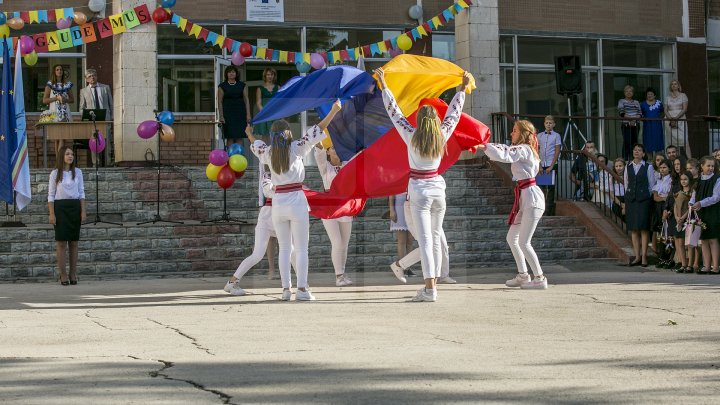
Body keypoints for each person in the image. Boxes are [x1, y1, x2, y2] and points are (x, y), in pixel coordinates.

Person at [376, 67, 471, 302]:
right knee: (436, 237)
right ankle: (432, 287)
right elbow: (454, 115)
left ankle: (430, 290)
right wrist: (462, 89)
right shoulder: (442, 134)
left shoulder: (411, 134)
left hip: (419, 190)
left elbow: (395, 113)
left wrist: (384, 86)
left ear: (419, 119)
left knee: (427, 241)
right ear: (435, 120)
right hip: (438, 188)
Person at [245, 100, 343, 301]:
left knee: (284, 248)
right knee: (301, 248)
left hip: (278, 203)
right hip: (296, 201)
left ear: (272, 135)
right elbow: (319, 128)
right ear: (288, 133)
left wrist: (248, 133)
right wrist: (334, 110)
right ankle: (302, 290)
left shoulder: (268, 152)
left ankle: (285, 290)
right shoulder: (296, 148)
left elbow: (256, 144)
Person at [478, 120, 548, 289]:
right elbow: (506, 150)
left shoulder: (524, 148)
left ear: (523, 133)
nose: (512, 133)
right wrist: (485, 146)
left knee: (524, 241)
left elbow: (506, 153)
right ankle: (524, 275)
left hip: (531, 198)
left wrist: (483, 146)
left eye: (515, 130)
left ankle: (539, 278)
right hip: (526, 197)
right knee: (512, 238)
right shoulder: (525, 149)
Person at [223, 166, 291, 295]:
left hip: (282, 216)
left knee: (292, 250)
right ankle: (231, 283)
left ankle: (302, 286)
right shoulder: (267, 174)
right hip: (267, 218)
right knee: (257, 255)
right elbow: (268, 191)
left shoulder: (290, 173)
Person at [313, 142, 354, 287]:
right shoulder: (325, 167)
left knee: (344, 244)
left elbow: (360, 158)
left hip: (345, 205)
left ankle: (342, 273)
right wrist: (319, 141)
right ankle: (339, 276)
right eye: (333, 148)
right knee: (336, 242)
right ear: (328, 152)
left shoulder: (347, 164)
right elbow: (319, 153)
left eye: (337, 147)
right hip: (329, 207)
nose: (336, 151)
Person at [389, 198, 455, 284]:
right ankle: (399, 265)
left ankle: (443, 275)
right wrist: (392, 209)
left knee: (442, 244)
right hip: (415, 206)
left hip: (431, 206)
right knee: (428, 246)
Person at [48, 146, 86, 285]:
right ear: (61, 156)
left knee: (74, 242)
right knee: (61, 242)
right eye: (67, 154)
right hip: (60, 208)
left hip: (74, 207)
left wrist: (83, 211)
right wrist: (52, 213)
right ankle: (63, 274)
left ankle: (73, 273)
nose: (70, 156)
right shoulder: (55, 174)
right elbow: (51, 195)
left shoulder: (78, 172)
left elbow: (81, 193)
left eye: (72, 154)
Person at [625, 143, 656, 267]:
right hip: (631, 200)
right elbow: (626, 183)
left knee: (643, 228)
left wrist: (645, 196)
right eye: (635, 150)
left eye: (639, 150)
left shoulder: (648, 167)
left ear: (643, 153)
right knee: (634, 229)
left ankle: (644, 256)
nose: (636, 152)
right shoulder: (628, 166)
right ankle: (637, 256)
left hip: (643, 200)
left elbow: (651, 185)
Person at [690, 156, 720, 274]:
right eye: (708, 165)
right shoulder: (697, 181)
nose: (711, 168)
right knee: (704, 240)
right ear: (701, 166)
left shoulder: (717, 179)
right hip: (700, 212)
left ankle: (716, 267)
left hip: (713, 212)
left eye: (712, 166)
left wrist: (701, 203)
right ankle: (707, 266)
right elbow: (693, 195)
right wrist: (691, 204)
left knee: (713, 239)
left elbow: (716, 197)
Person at [218, 66, 251, 152]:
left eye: (233, 72)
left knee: (239, 136)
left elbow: (246, 100)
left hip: (240, 113)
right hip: (228, 114)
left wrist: (248, 114)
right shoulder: (222, 86)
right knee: (230, 137)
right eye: (229, 72)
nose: (231, 73)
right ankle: (230, 158)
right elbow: (219, 102)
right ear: (226, 74)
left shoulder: (241, 85)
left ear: (236, 74)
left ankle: (240, 157)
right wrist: (221, 116)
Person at [536, 115, 561, 215]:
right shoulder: (540, 136)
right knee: (540, 187)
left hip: (551, 164)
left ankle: (549, 211)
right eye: (547, 123)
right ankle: (541, 209)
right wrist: (539, 165)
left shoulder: (556, 135)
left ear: (554, 124)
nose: (548, 125)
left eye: (550, 123)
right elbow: (536, 150)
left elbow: (557, 151)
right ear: (544, 124)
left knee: (551, 188)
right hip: (541, 164)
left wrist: (551, 166)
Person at [389, 193, 417, 279]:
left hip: (411, 205)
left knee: (410, 240)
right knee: (402, 241)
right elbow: (391, 194)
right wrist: (392, 210)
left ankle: (408, 267)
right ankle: (401, 267)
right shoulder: (396, 179)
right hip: (399, 206)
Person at [651, 159, 674, 268]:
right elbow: (655, 197)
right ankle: (662, 258)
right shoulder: (658, 180)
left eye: (664, 167)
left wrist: (664, 198)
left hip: (667, 207)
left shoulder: (671, 180)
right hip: (658, 208)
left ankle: (669, 258)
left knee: (668, 232)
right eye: (661, 168)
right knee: (660, 232)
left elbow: (670, 196)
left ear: (669, 168)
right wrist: (663, 197)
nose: (662, 169)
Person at [672, 171, 693, 273]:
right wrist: (676, 216)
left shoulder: (692, 192)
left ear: (689, 180)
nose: (683, 181)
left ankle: (690, 265)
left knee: (689, 243)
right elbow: (675, 205)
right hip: (679, 220)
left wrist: (683, 217)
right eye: (682, 180)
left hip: (688, 219)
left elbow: (691, 207)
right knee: (679, 242)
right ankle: (683, 264)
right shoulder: (679, 192)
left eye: (685, 179)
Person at [664, 79, 689, 158]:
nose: (674, 85)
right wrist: (671, 119)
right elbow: (665, 109)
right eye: (672, 84)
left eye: (675, 84)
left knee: (685, 141)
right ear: (670, 86)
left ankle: (690, 160)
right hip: (669, 120)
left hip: (680, 119)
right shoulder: (667, 97)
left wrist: (676, 118)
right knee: (672, 142)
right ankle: (674, 160)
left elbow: (685, 109)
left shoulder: (683, 95)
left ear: (678, 86)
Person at [618, 85, 641, 161]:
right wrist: (631, 119)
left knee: (634, 143)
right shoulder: (621, 101)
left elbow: (640, 113)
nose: (628, 93)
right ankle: (625, 159)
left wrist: (634, 120)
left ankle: (633, 159)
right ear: (624, 93)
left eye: (630, 91)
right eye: (627, 91)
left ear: (633, 93)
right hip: (626, 124)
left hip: (635, 125)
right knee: (627, 141)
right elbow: (621, 113)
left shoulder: (636, 102)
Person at [253, 68, 279, 137]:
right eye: (268, 75)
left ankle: (275, 148)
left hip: (275, 114)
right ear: (265, 76)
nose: (270, 76)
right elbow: (258, 103)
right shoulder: (260, 88)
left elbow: (280, 101)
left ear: (274, 76)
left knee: (276, 135)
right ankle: (265, 148)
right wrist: (265, 113)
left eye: (272, 74)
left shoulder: (278, 87)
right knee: (265, 135)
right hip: (265, 114)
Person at [640, 87, 664, 155]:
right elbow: (639, 114)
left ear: (654, 95)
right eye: (648, 94)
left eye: (651, 94)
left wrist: (659, 118)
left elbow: (663, 112)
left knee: (658, 141)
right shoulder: (642, 104)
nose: (649, 95)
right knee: (648, 143)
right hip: (647, 126)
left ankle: (658, 160)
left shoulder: (659, 103)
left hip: (657, 126)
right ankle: (649, 160)